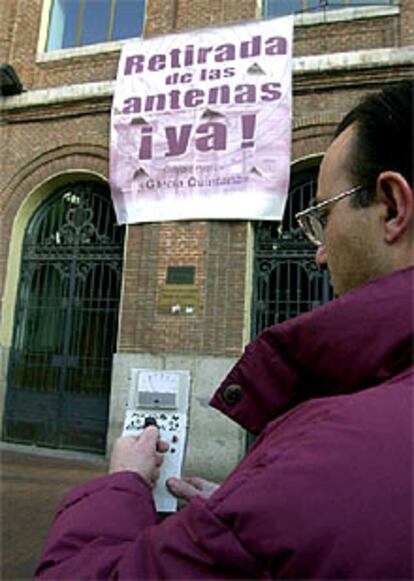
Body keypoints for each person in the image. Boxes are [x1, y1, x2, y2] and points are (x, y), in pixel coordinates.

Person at [35, 80, 413, 579]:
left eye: (322, 215)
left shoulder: (327, 455)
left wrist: (122, 482)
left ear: (391, 207)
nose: (318, 253)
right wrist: (243, 511)